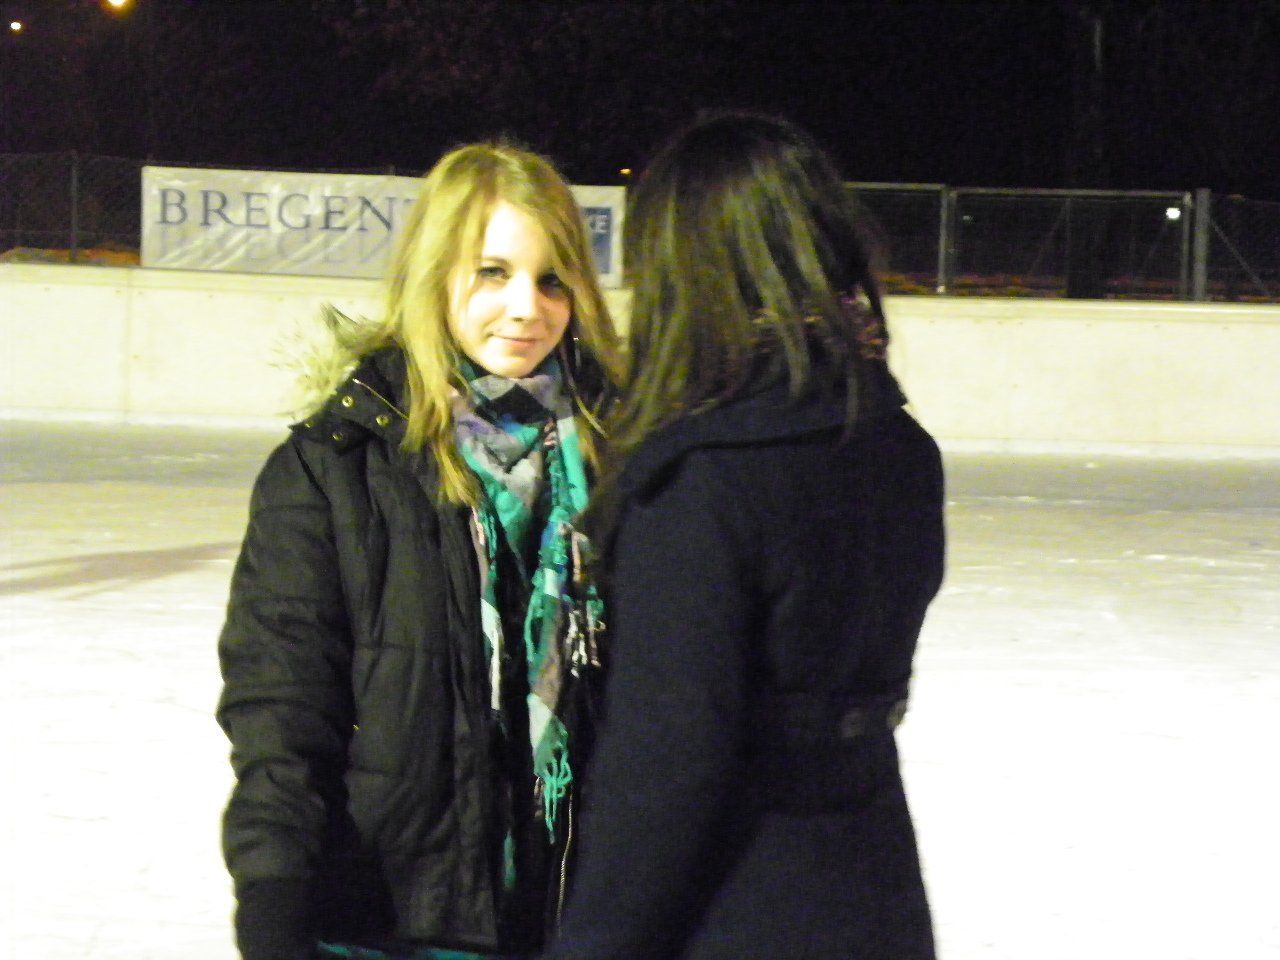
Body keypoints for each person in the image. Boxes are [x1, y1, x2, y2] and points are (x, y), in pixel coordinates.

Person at [540, 112, 946, 960]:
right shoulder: (900, 446)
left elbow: (669, 765)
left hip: (737, 905)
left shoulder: (704, 483)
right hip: (875, 889)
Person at [216, 141, 622, 960]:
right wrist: (273, 897)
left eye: (551, 280)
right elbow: (282, 713)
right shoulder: (334, 469)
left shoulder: (620, 458)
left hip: (576, 915)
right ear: (434, 275)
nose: (526, 308)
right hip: (396, 918)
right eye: (491, 273)